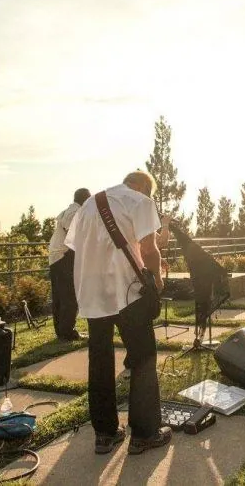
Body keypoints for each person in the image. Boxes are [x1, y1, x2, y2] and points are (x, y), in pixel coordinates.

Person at [66, 170, 172, 455]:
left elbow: (77, 247)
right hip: (127, 291)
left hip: (91, 293)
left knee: (99, 361)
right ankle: (145, 434)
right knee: (142, 358)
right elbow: (149, 250)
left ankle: (105, 434)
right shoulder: (139, 201)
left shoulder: (88, 205)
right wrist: (158, 280)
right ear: (142, 187)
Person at [48, 188, 90, 341]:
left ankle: (61, 331)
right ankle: (67, 332)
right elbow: (73, 232)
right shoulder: (76, 212)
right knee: (70, 295)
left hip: (56, 257)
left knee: (60, 296)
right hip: (64, 255)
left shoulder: (70, 210)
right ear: (85, 200)